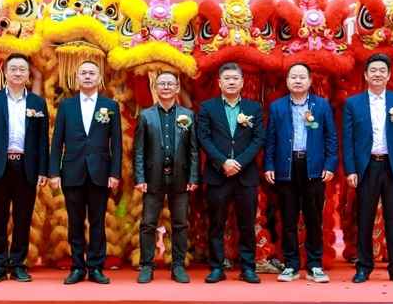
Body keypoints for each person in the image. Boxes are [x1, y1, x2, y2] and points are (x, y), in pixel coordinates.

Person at [342, 53, 393, 284]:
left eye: (382, 70)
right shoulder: (353, 103)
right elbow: (348, 140)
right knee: (364, 218)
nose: (377, 74)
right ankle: (364, 267)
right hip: (366, 167)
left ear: (389, 75)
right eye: (373, 70)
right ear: (365, 75)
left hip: (392, 167)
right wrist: (351, 170)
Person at [0, 54, 49, 284]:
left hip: (27, 167)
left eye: (22, 69)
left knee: (23, 218)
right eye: (13, 69)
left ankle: (18, 264)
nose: (18, 73)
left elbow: (42, 140)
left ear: (28, 74)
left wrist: (43, 170)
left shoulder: (37, 103)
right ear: (5, 73)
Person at [49, 60, 122, 285]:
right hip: (72, 172)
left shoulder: (110, 106)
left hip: (100, 172)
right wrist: (54, 172)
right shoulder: (66, 106)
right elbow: (57, 141)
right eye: (84, 73)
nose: (88, 76)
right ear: (77, 78)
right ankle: (77, 267)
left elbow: (117, 143)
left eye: (92, 73)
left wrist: (115, 173)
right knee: (75, 222)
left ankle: (96, 267)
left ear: (99, 78)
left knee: (98, 222)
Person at [263, 63, 337, 283]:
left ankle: (315, 265)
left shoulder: (321, 105)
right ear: (287, 81)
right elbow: (270, 139)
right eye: (293, 77)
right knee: (288, 219)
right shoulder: (277, 107)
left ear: (310, 81)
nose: (297, 80)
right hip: (286, 167)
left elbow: (331, 137)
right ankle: (291, 265)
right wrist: (269, 165)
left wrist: (330, 165)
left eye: (302, 77)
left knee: (314, 218)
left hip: (313, 167)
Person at [196, 63, 265, 284]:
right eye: (227, 78)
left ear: (242, 82)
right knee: (216, 223)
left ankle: (248, 267)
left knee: (247, 224)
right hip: (218, 174)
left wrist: (239, 163)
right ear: (220, 83)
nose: (231, 82)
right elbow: (203, 137)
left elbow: (258, 139)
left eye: (235, 78)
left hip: (246, 175)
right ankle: (217, 267)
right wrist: (223, 162)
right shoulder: (208, 107)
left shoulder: (254, 108)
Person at [133, 71, 200, 284]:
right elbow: (139, 150)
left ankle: (178, 265)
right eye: (162, 83)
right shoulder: (146, 115)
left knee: (180, 223)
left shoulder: (188, 115)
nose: (166, 87)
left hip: (180, 177)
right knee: (148, 223)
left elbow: (193, 150)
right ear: (155, 87)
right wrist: (140, 178)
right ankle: (146, 265)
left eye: (170, 83)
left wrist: (193, 177)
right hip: (153, 177)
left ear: (177, 87)